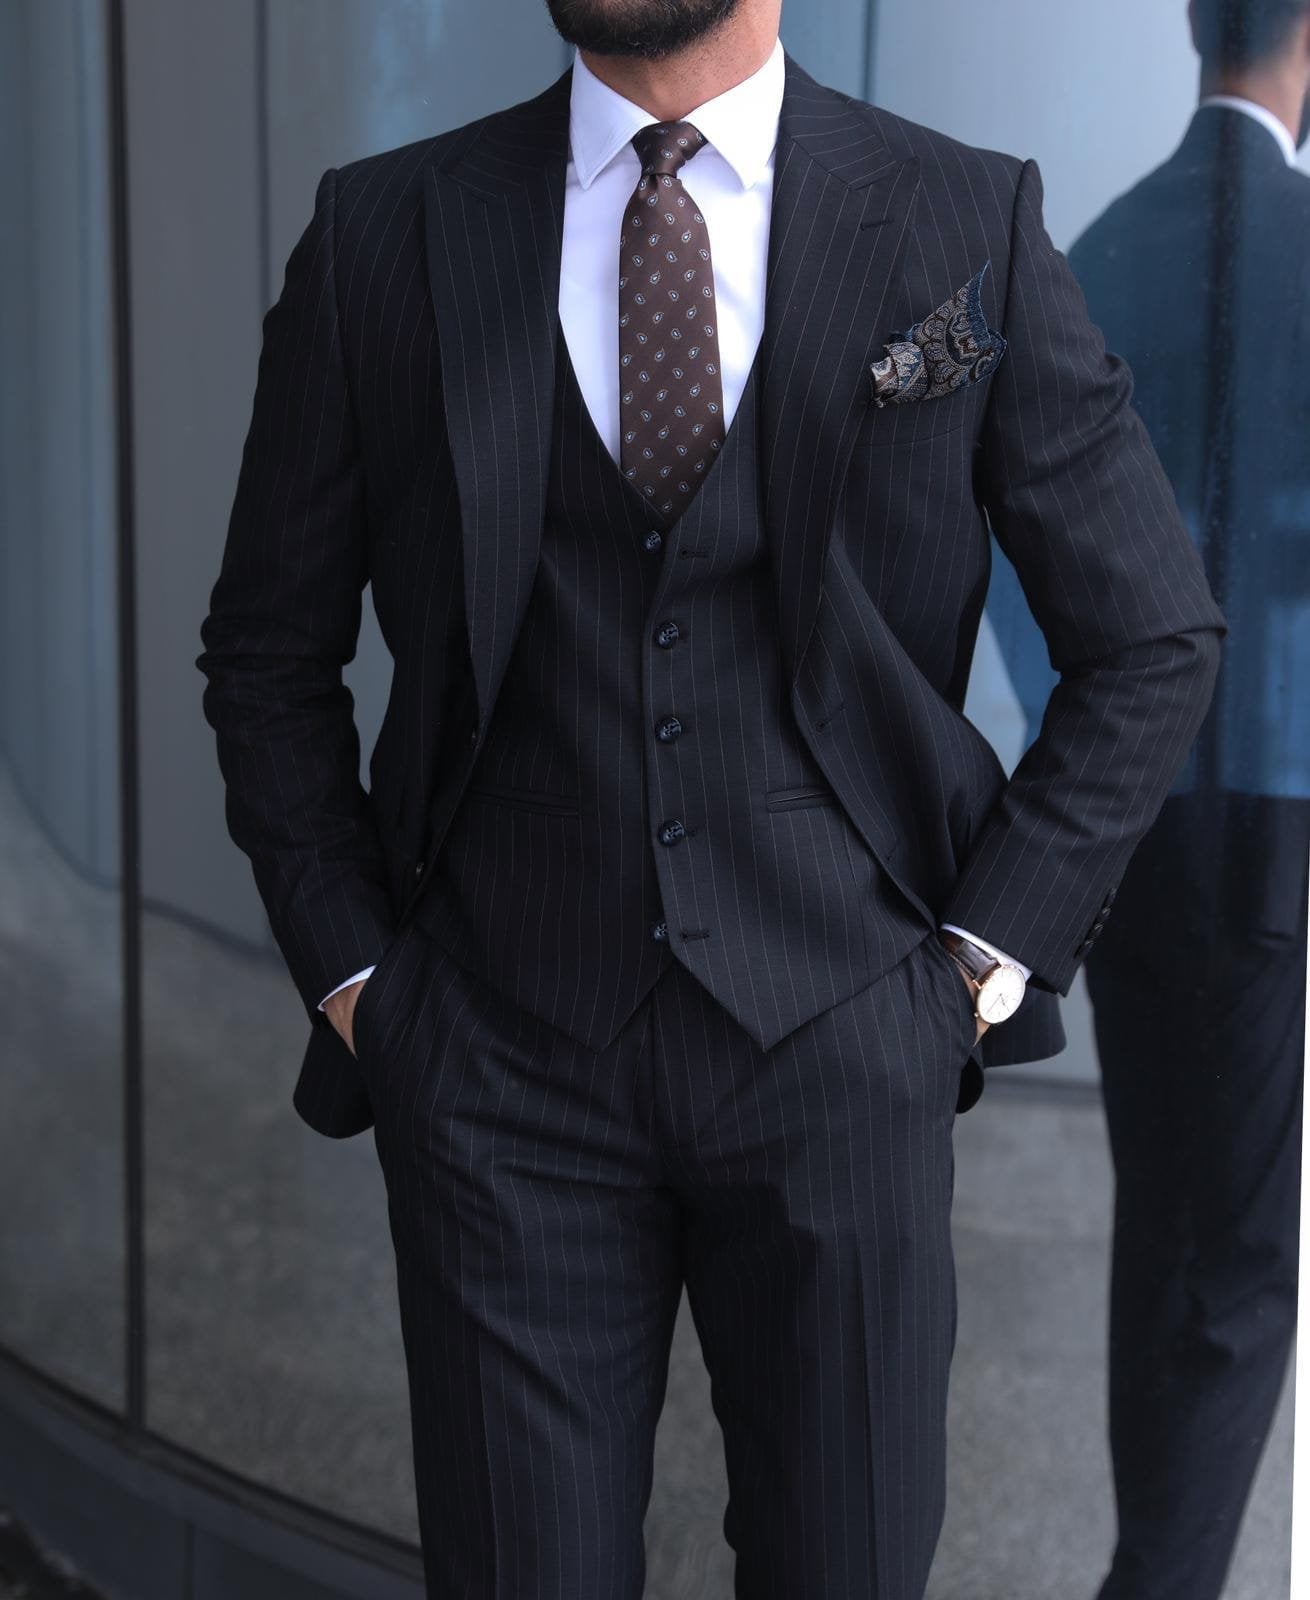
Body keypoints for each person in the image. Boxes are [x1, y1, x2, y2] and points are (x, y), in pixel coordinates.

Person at [195, 1, 1225, 1594]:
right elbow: (267, 652)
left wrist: (969, 968)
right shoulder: (384, 233)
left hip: (849, 1052)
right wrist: (359, 985)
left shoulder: (962, 218)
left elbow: (1148, 636)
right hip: (495, 1063)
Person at [1060, 3, 1310, 1595]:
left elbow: (1007, 520)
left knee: (1156, 1214)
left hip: (1121, 807)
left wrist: (1081, 722)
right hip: (1266, 806)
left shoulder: (1095, 246)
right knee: (1240, 1260)